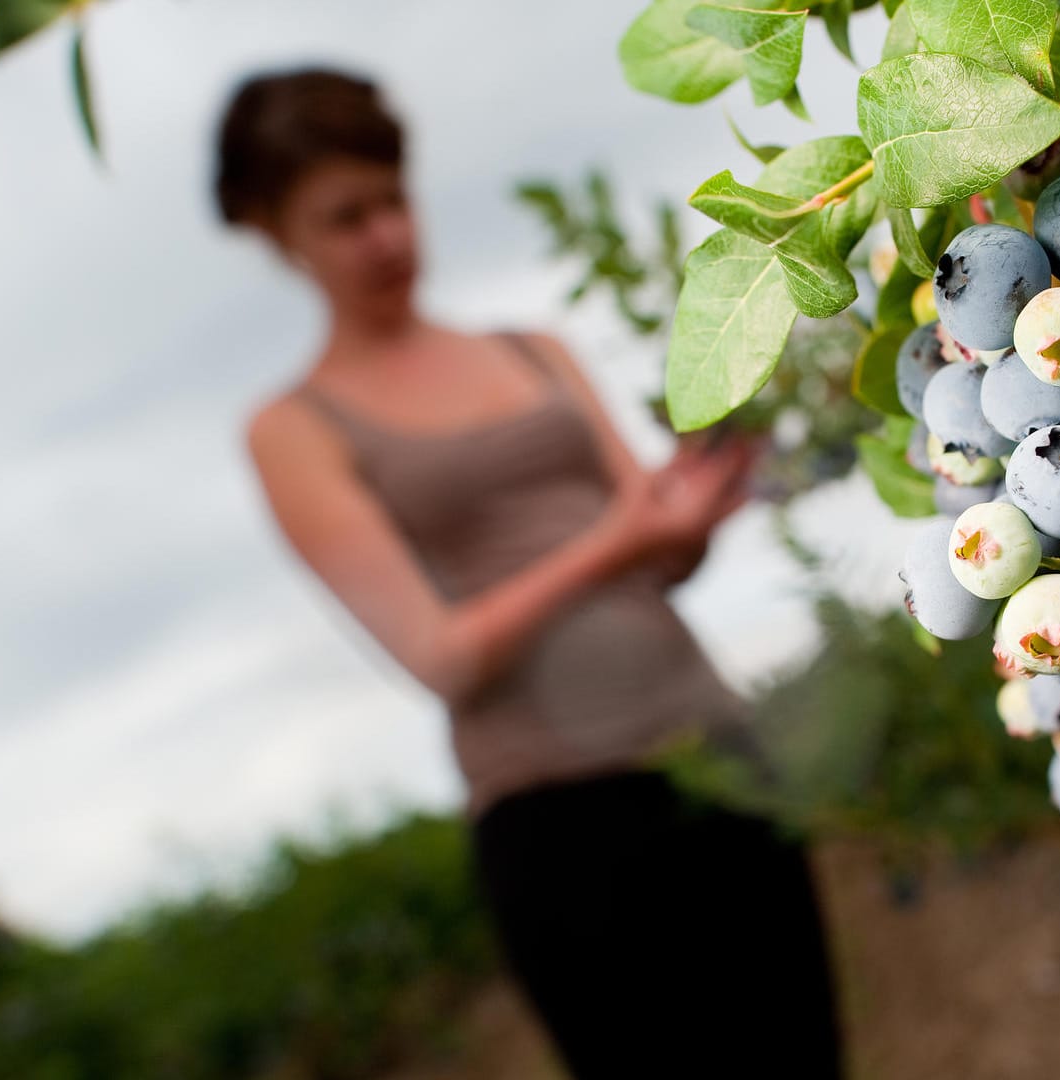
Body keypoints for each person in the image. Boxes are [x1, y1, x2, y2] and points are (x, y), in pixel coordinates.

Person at [218, 68, 843, 1077]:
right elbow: (441, 656)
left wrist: (704, 495)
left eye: (392, 200)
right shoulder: (294, 428)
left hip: (720, 761)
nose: (386, 237)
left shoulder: (534, 350)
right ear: (270, 230)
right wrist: (615, 543)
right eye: (344, 219)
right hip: (563, 825)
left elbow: (659, 551)